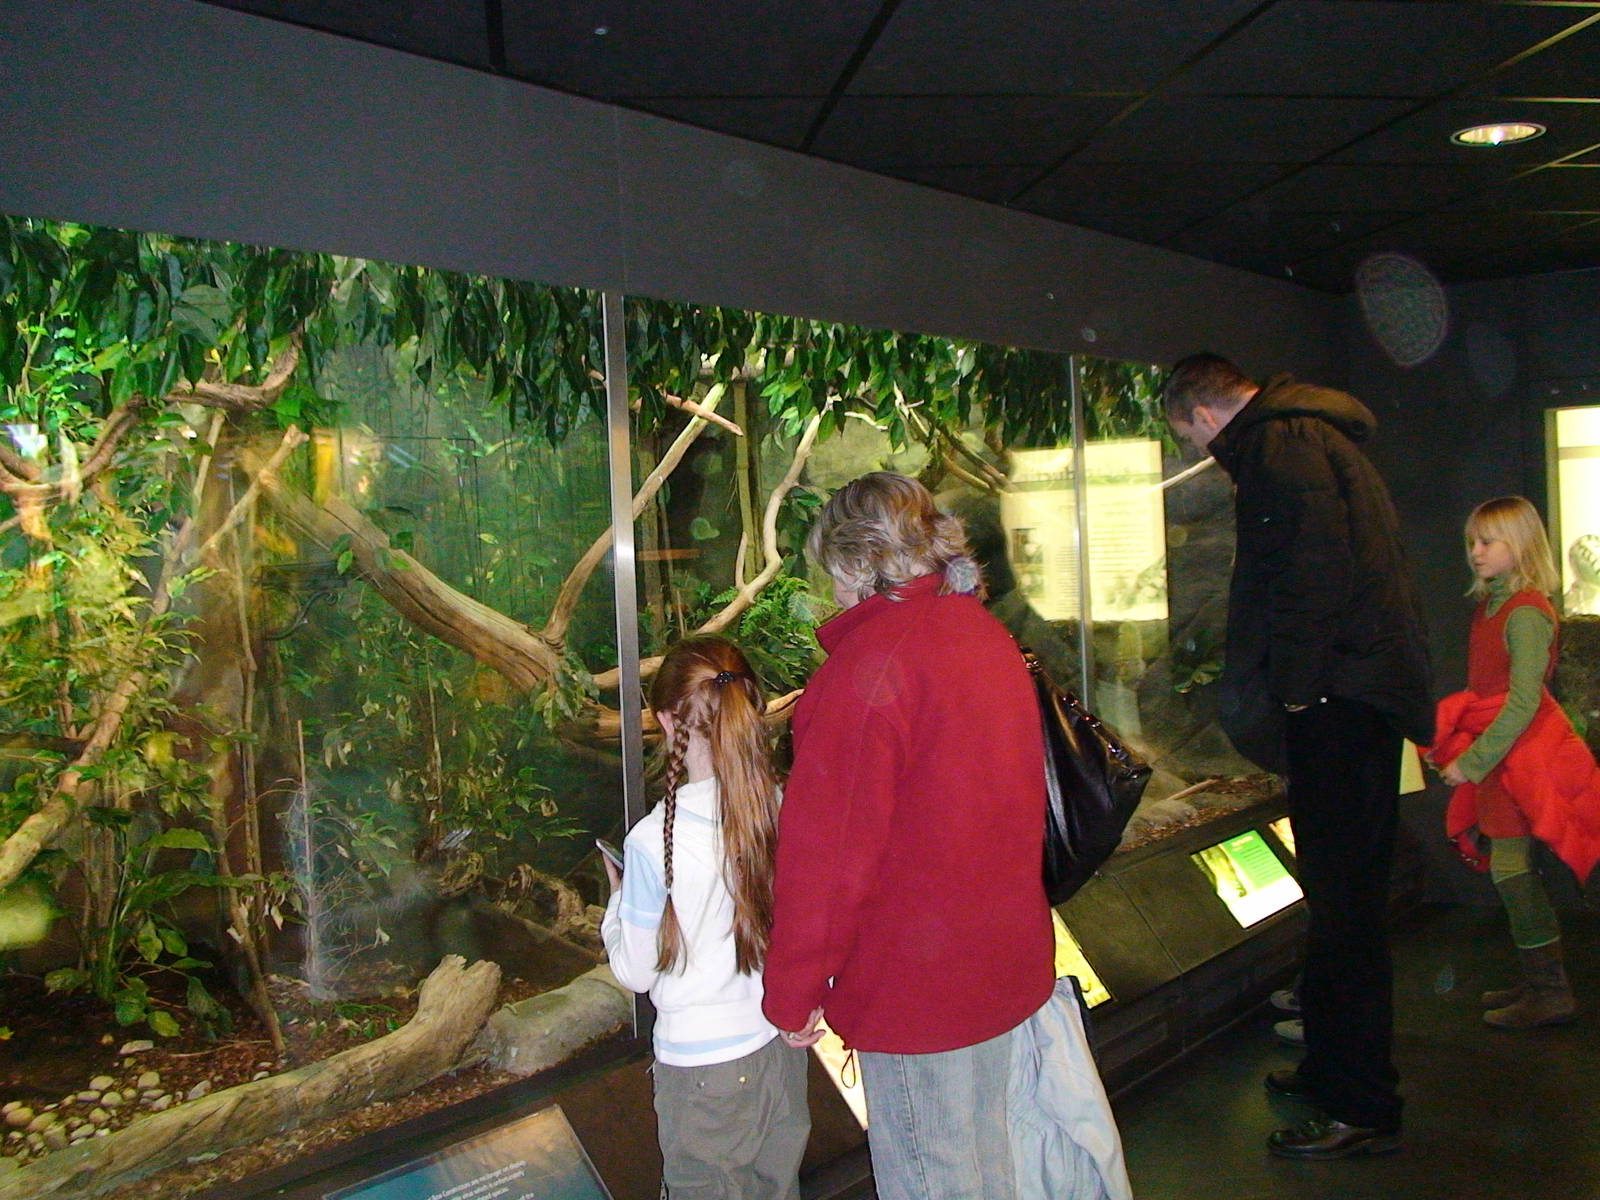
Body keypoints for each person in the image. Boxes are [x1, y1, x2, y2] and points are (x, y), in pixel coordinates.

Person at [759, 472, 1058, 1200]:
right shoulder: (980, 633)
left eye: (830, 565)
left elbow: (827, 865)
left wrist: (792, 992)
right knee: (988, 1164)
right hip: (1002, 962)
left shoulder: (865, 673)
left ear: (856, 562)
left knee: (936, 1178)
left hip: (918, 987)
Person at [1162, 353, 1431, 1161]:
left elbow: (1313, 578)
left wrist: (1301, 695)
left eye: (1189, 439)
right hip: (1356, 697)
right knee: (1340, 895)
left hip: (1339, 705)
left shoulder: (1283, 448)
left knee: (1347, 906)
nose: (1201, 455)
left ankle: (1362, 1105)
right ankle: (1329, 1070)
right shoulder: (1311, 435)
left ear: (1202, 415)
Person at [601, 636, 810, 1200]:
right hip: (776, 1052)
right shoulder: (779, 805)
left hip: (700, 1074)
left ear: (667, 721)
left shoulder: (650, 842)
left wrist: (618, 904)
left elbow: (637, 973)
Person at [1427, 497, 1600, 1028]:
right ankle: (1542, 985)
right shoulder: (1496, 605)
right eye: (1472, 541)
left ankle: (1550, 992)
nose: (1474, 552)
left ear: (1519, 545)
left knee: (1512, 869)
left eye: (1487, 542)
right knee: (1512, 868)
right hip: (1508, 754)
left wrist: (1473, 762)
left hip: (1523, 754)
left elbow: (1524, 700)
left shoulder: (1524, 611)